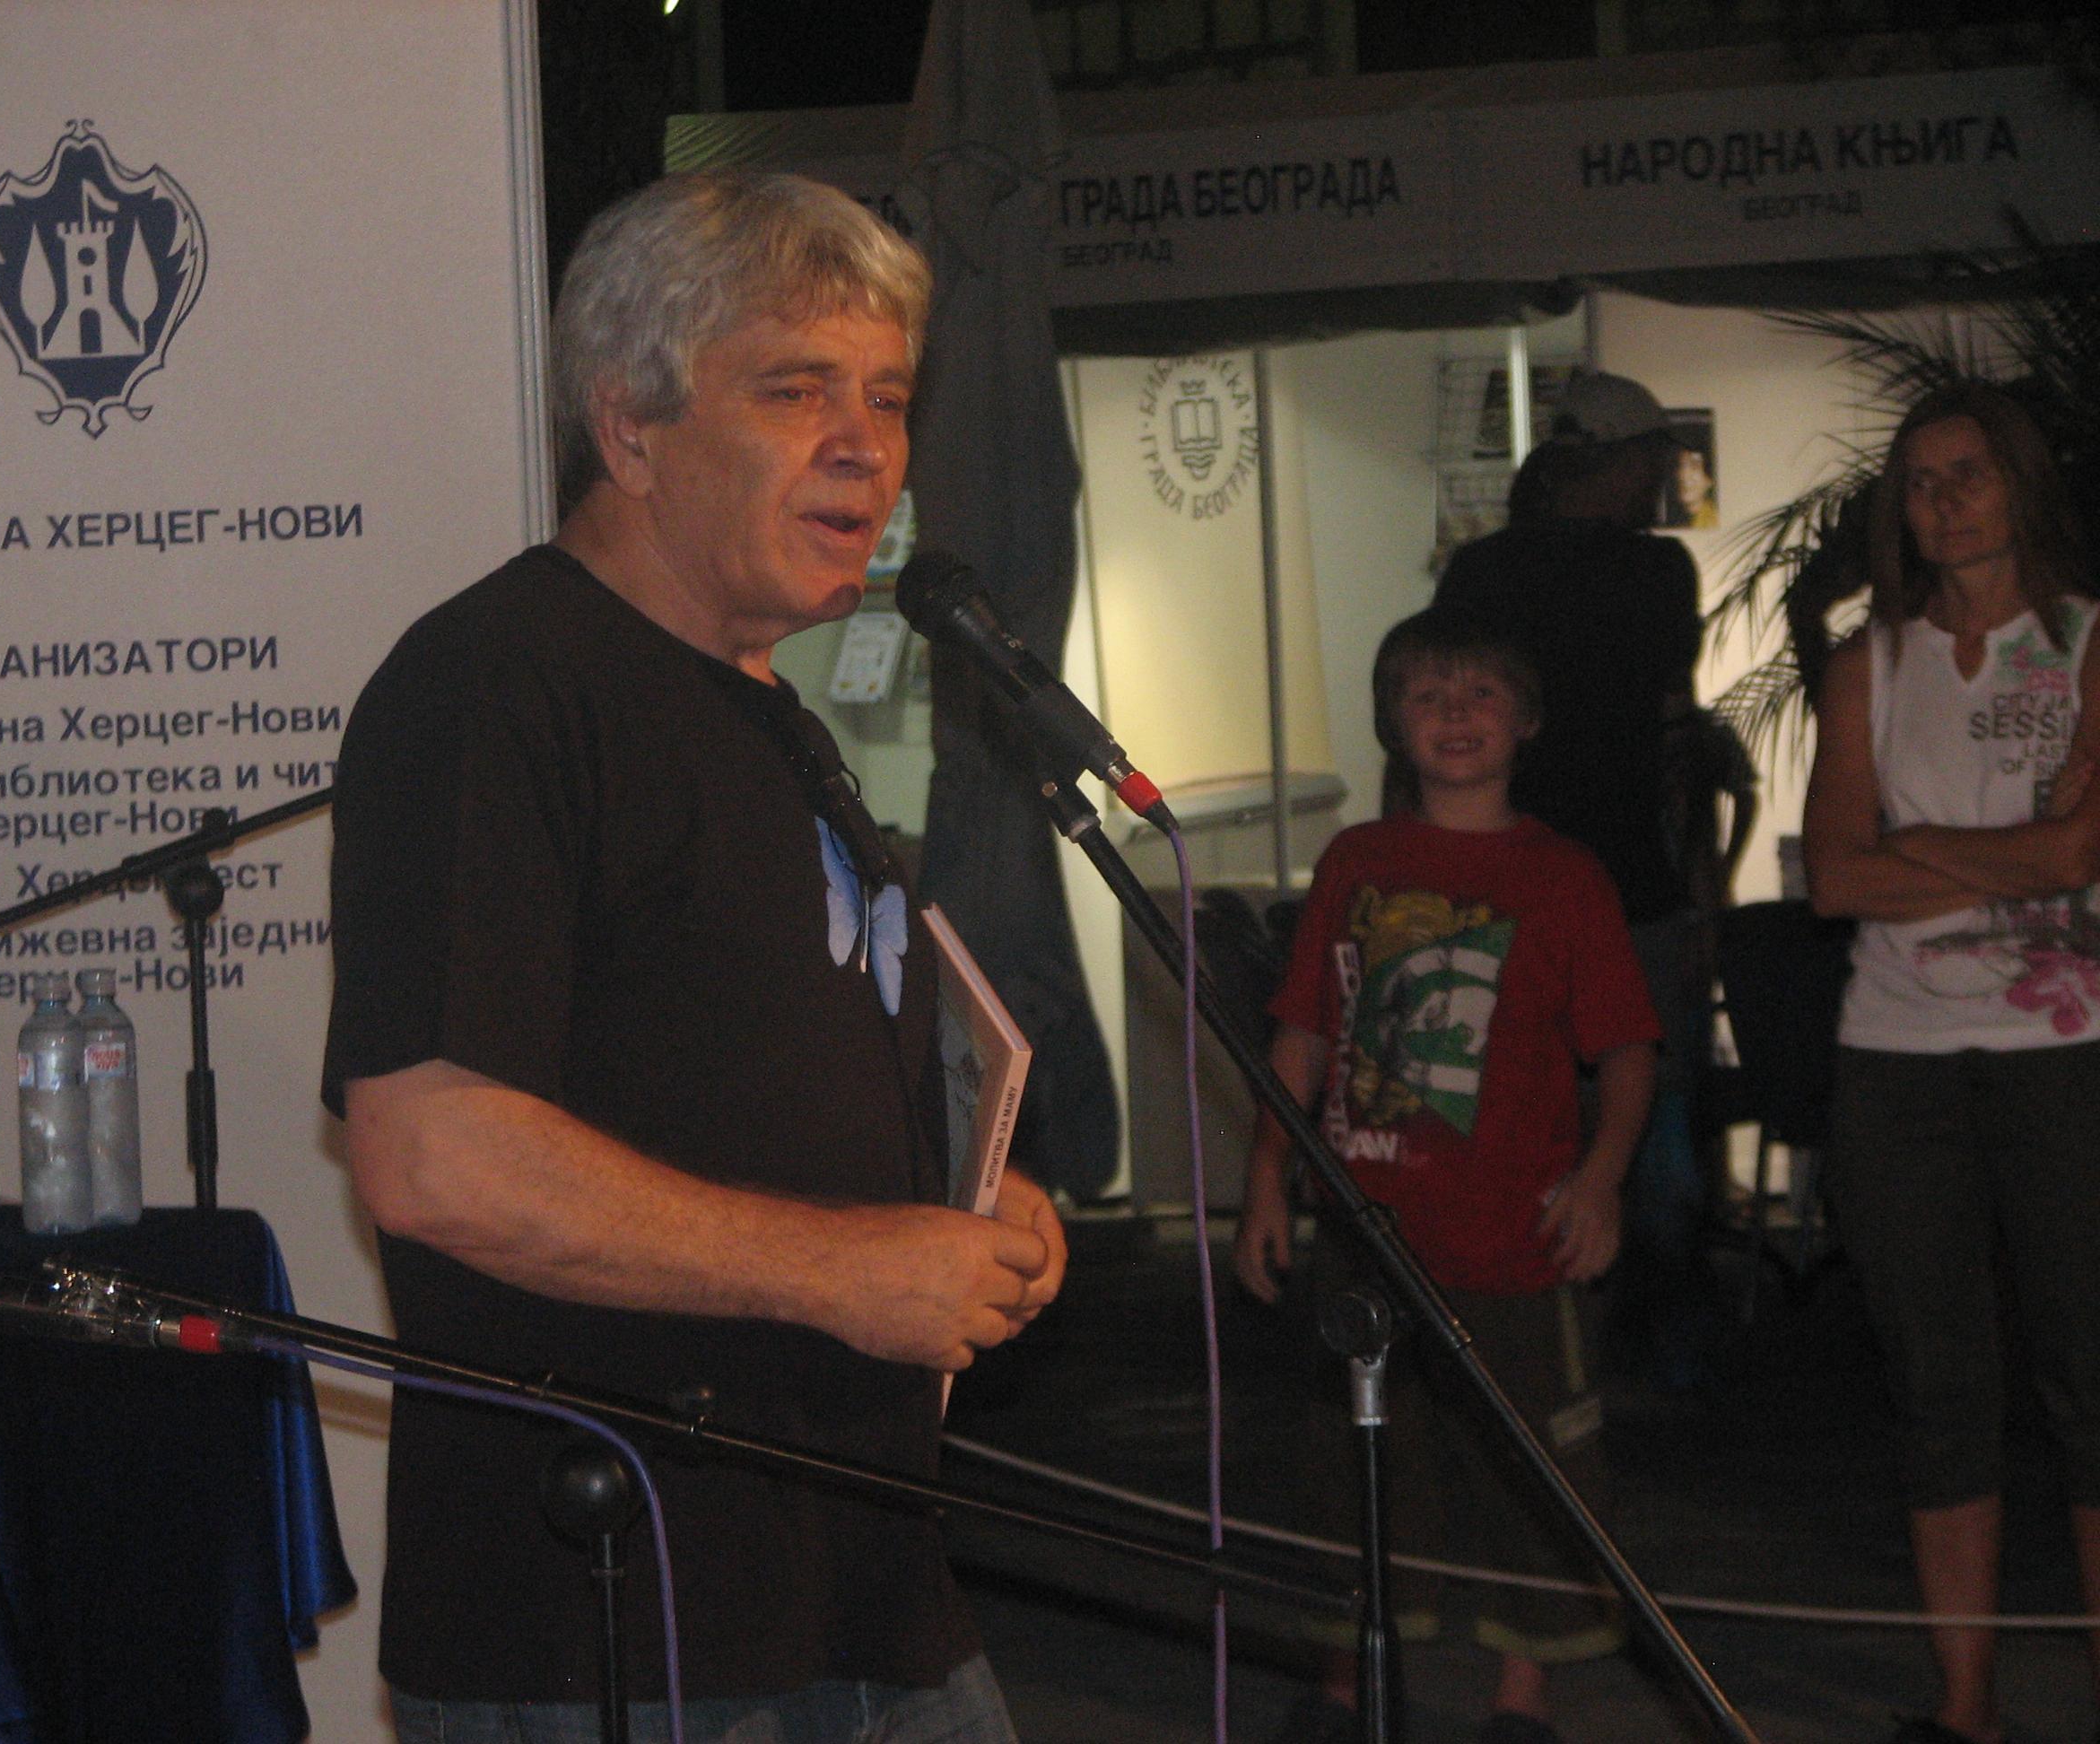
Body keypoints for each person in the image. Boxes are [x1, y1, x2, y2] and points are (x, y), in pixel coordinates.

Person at [322, 170, 1067, 1744]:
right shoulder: (496, 682)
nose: (865, 445)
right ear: (632, 427)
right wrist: (850, 1269)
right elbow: (433, 1152)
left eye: (886, 396)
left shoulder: (774, 713)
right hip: (619, 1609)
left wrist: (965, 1202)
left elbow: (747, 1070)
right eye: (795, 390)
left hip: (863, 1579)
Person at [1236, 608, 1660, 1744]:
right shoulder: (1357, 862)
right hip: (1367, 1229)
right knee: (1358, 1463)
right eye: (1428, 695)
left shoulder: (1564, 876)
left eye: (1480, 694)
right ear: (1394, 724)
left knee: (1533, 1462)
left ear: (1526, 719)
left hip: (1514, 1236)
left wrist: (1602, 1179)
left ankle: (1522, 1696)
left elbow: (1627, 1048)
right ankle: (1347, 1681)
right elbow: (1302, 1032)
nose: (1455, 715)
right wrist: (1269, 1176)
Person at [1802, 379, 2100, 1744]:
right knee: (1938, 1388)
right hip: (1898, 1055)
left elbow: (2078, 856)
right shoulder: (1869, 664)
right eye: (1919, 483)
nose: (1943, 501)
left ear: (2020, 482)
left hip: (2066, 1047)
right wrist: (2010, 861)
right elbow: (1835, 880)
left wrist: (1915, 848)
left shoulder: (2088, 644)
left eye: (1967, 471)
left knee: (2089, 1376)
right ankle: (1965, 1704)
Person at [1436, 368, 1708, 1392]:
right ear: (1625, 462)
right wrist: (1699, 889)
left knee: (1513, 1122)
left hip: (1504, 887)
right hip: (1628, 883)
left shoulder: (1484, 572)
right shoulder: (1656, 574)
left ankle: (1536, 1345)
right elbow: (1674, 736)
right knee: (1653, 1116)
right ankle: (1657, 1355)